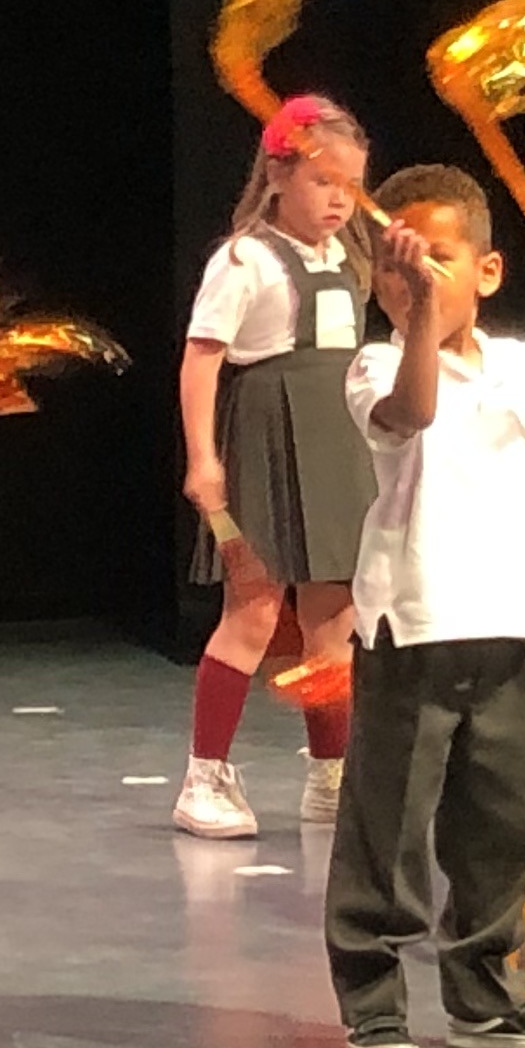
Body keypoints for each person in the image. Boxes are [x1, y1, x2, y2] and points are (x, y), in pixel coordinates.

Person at [327, 167, 525, 1048]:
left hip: (509, 622)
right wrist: (423, 312)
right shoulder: (379, 363)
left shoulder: (523, 368)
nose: (414, 279)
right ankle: (374, 1003)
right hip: (414, 624)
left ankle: (486, 996)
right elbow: (414, 412)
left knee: (502, 826)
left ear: (489, 271)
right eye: (397, 267)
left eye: (437, 260)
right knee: (390, 824)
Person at [170, 95, 370, 840]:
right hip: (266, 435)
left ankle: (331, 777)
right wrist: (203, 459)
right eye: (324, 183)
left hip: (337, 444)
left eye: (350, 187)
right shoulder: (245, 259)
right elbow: (202, 359)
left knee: (334, 617)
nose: (338, 201)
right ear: (280, 175)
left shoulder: (347, 261)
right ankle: (205, 778)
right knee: (254, 608)